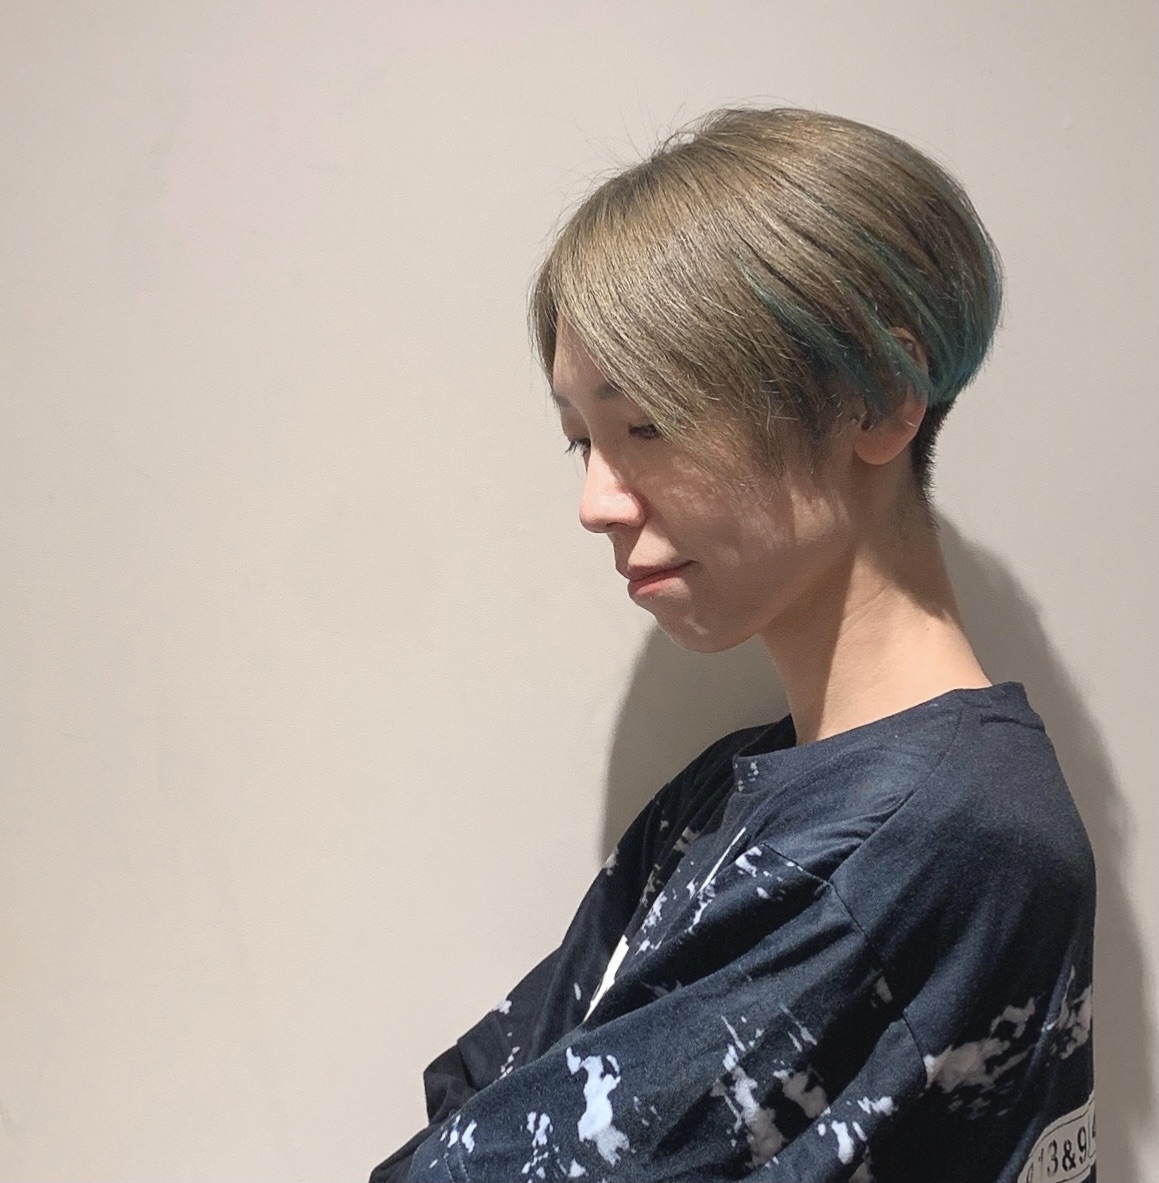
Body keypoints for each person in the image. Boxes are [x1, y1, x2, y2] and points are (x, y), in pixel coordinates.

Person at [369, 107, 1096, 1183]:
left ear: (876, 399)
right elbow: (479, 1094)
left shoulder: (921, 846)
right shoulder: (743, 788)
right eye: (579, 441)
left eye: (647, 424)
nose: (594, 502)